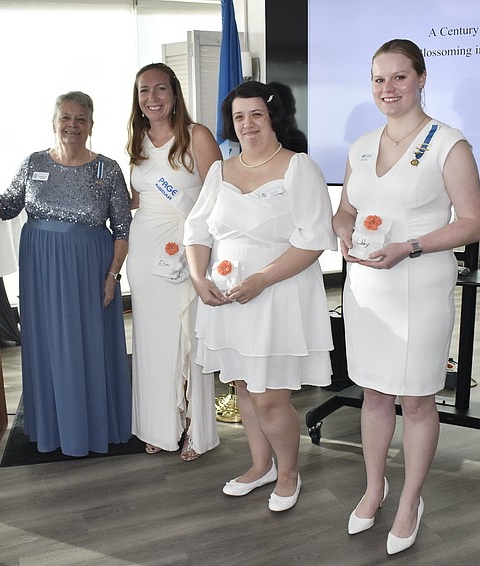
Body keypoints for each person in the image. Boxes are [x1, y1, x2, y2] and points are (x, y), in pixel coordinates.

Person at [333, 39, 480, 554]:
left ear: (421, 79)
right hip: (367, 286)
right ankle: (373, 487)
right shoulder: (360, 145)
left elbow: (475, 223)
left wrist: (410, 246)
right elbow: (346, 211)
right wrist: (343, 230)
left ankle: (410, 500)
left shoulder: (448, 144)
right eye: (379, 79)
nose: (388, 88)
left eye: (399, 77)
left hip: (419, 281)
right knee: (375, 393)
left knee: (417, 399)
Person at [0, 91, 133, 457]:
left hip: (89, 268)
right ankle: (55, 426)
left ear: (91, 126)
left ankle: (94, 427)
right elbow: (6, 206)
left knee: (88, 344)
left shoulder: (107, 169)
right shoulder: (33, 163)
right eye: (66, 118)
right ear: (54, 122)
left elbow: (122, 230)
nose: (72, 125)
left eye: (80, 119)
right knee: (50, 343)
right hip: (42, 269)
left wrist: (112, 275)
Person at [184, 81, 336, 512]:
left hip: (279, 293)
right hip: (229, 295)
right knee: (244, 386)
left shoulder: (298, 167)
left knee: (270, 396)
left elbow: (314, 239)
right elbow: (197, 230)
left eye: (256, 114)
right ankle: (260, 465)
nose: (247, 124)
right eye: (239, 116)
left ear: (272, 117)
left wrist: (263, 279)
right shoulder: (220, 171)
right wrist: (198, 277)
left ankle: (288, 474)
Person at [125, 63, 222, 461]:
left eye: (160, 89)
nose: (152, 98)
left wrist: (201, 247)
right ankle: (160, 425)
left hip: (187, 247)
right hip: (144, 251)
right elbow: (137, 198)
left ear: (175, 93)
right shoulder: (136, 142)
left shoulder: (196, 136)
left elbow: (220, 195)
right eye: (144, 91)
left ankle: (195, 428)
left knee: (187, 336)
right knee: (153, 340)